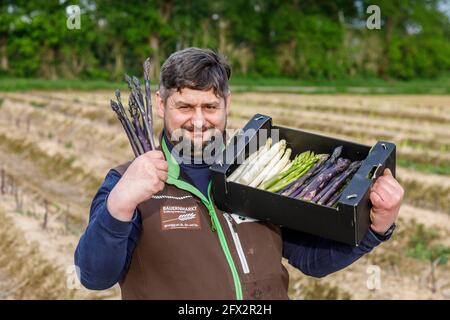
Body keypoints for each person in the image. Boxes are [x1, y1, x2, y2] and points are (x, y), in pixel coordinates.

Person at [74, 47, 404, 299]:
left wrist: (376, 227)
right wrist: (119, 205)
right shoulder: (126, 182)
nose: (199, 121)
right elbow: (95, 276)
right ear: (161, 105)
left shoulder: (253, 170)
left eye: (210, 107)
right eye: (185, 107)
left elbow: (310, 259)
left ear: (227, 104)